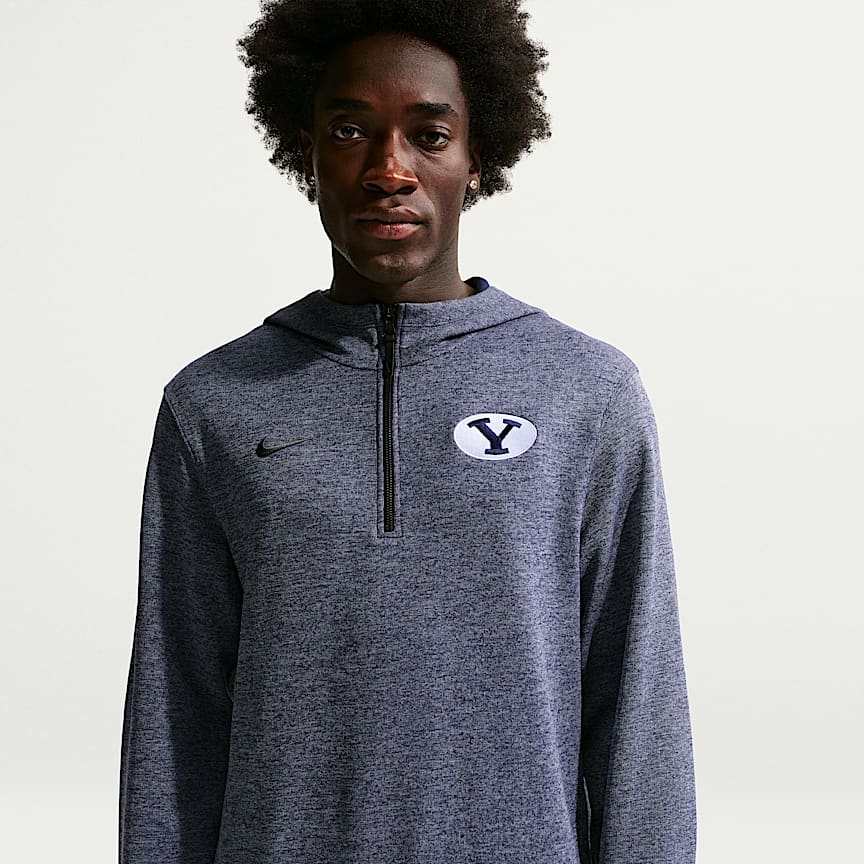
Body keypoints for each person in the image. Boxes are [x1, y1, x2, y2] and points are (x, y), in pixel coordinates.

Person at [118, 1, 697, 862]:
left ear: (477, 158)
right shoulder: (214, 404)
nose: (389, 169)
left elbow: (639, 706)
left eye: (430, 135)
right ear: (306, 153)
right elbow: (176, 718)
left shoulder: (588, 393)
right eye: (351, 131)